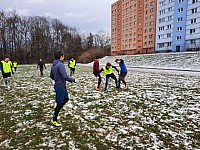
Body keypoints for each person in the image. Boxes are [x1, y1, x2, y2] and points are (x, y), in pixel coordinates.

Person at [50, 50, 75, 127]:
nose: (64, 57)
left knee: (66, 99)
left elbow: (51, 76)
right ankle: (54, 119)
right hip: (60, 86)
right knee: (60, 102)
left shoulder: (54, 64)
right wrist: (72, 80)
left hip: (60, 85)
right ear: (61, 57)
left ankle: (56, 111)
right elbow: (65, 76)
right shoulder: (60, 65)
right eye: (63, 56)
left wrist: (57, 79)